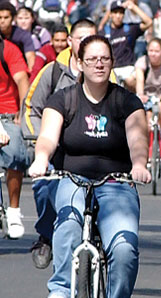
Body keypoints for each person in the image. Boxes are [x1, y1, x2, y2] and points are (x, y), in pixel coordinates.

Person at [28, 34, 150, 298]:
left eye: (105, 59)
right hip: (72, 178)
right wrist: (41, 159)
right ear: (80, 63)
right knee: (68, 228)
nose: (99, 64)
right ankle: (60, 291)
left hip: (116, 183)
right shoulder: (64, 99)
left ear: (112, 63)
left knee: (123, 248)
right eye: (92, 59)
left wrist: (139, 163)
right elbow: (48, 136)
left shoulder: (126, 102)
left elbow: (138, 138)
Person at [22, 18, 101, 270]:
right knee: (44, 187)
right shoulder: (53, 70)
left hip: (94, 153)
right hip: (56, 153)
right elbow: (30, 108)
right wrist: (39, 142)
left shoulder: (106, 72)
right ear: (70, 41)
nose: (86, 43)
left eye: (92, 38)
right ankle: (46, 236)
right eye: (81, 38)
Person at [0, 36, 30, 239]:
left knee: (16, 154)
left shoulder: (8, 49)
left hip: (8, 113)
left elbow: (21, 79)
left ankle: (13, 210)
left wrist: (23, 110)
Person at [99, 0, 152, 92]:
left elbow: (148, 22)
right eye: (115, 13)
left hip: (128, 68)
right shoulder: (104, 32)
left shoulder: (130, 29)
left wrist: (134, 7)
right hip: (112, 68)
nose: (118, 16)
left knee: (131, 81)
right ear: (110, 14)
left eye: (121, 13)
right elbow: (99, 28)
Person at [135, 37, 161, 151]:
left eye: (156, 51)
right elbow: (139, 81)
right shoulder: (142, 62)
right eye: (151, 51)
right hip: (147, 95)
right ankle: (147, 151)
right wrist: (140, 94)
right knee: (148, 121)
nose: (153, 54)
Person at [0, 2, 35, 71]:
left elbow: (31, 59)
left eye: (6, 17)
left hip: (20, 70)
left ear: (13, 18)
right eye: (0, 18)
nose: (2, 21)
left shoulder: (23, 35)